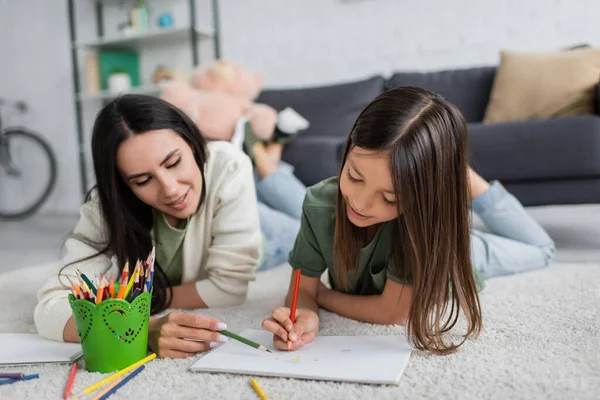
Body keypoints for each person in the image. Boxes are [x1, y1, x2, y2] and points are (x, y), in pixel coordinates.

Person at [261, 86, 556, 355]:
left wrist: (324, 296)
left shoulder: (424, 228)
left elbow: (393, 312)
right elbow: (302, 290)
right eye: (353, 176)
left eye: (389, 197)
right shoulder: (320, 202)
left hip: (459, 252)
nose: (360, 203)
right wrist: (307, 314)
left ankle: (463, 178)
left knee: (543, 251)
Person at [34, 94, 263, 359]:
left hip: (264, 231)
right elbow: (49, 310)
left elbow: (228, 289)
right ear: (123, 185)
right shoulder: (106, 206)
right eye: (142, 180)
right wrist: (140, 327)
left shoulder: (229, 165)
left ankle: (272, 167)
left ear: (191, 141)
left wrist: (137, 304)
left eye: (174, 163)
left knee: (291, 214)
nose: (170, 189)